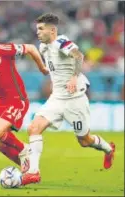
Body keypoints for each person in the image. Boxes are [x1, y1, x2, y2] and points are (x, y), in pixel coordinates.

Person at [21, 13, 115, 185]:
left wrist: (74, 77)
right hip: (56, 98)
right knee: (34, 128)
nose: (38, 32)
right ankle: (33, 173)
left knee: (85, 141)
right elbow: (51, 67)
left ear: (52, 30)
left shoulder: (60, 42)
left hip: (75, 100)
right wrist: (42, 68)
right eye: (37, 29)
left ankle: (108, 149)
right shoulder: (43, 47)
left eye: (41, 29)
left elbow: (79, 56)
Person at [0, 21, 48, 174]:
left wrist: (42, 68)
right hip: (1, 100)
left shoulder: (4, 49)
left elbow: (31, 48)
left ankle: (25, 149)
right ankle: (30, 171)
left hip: (17, 99)